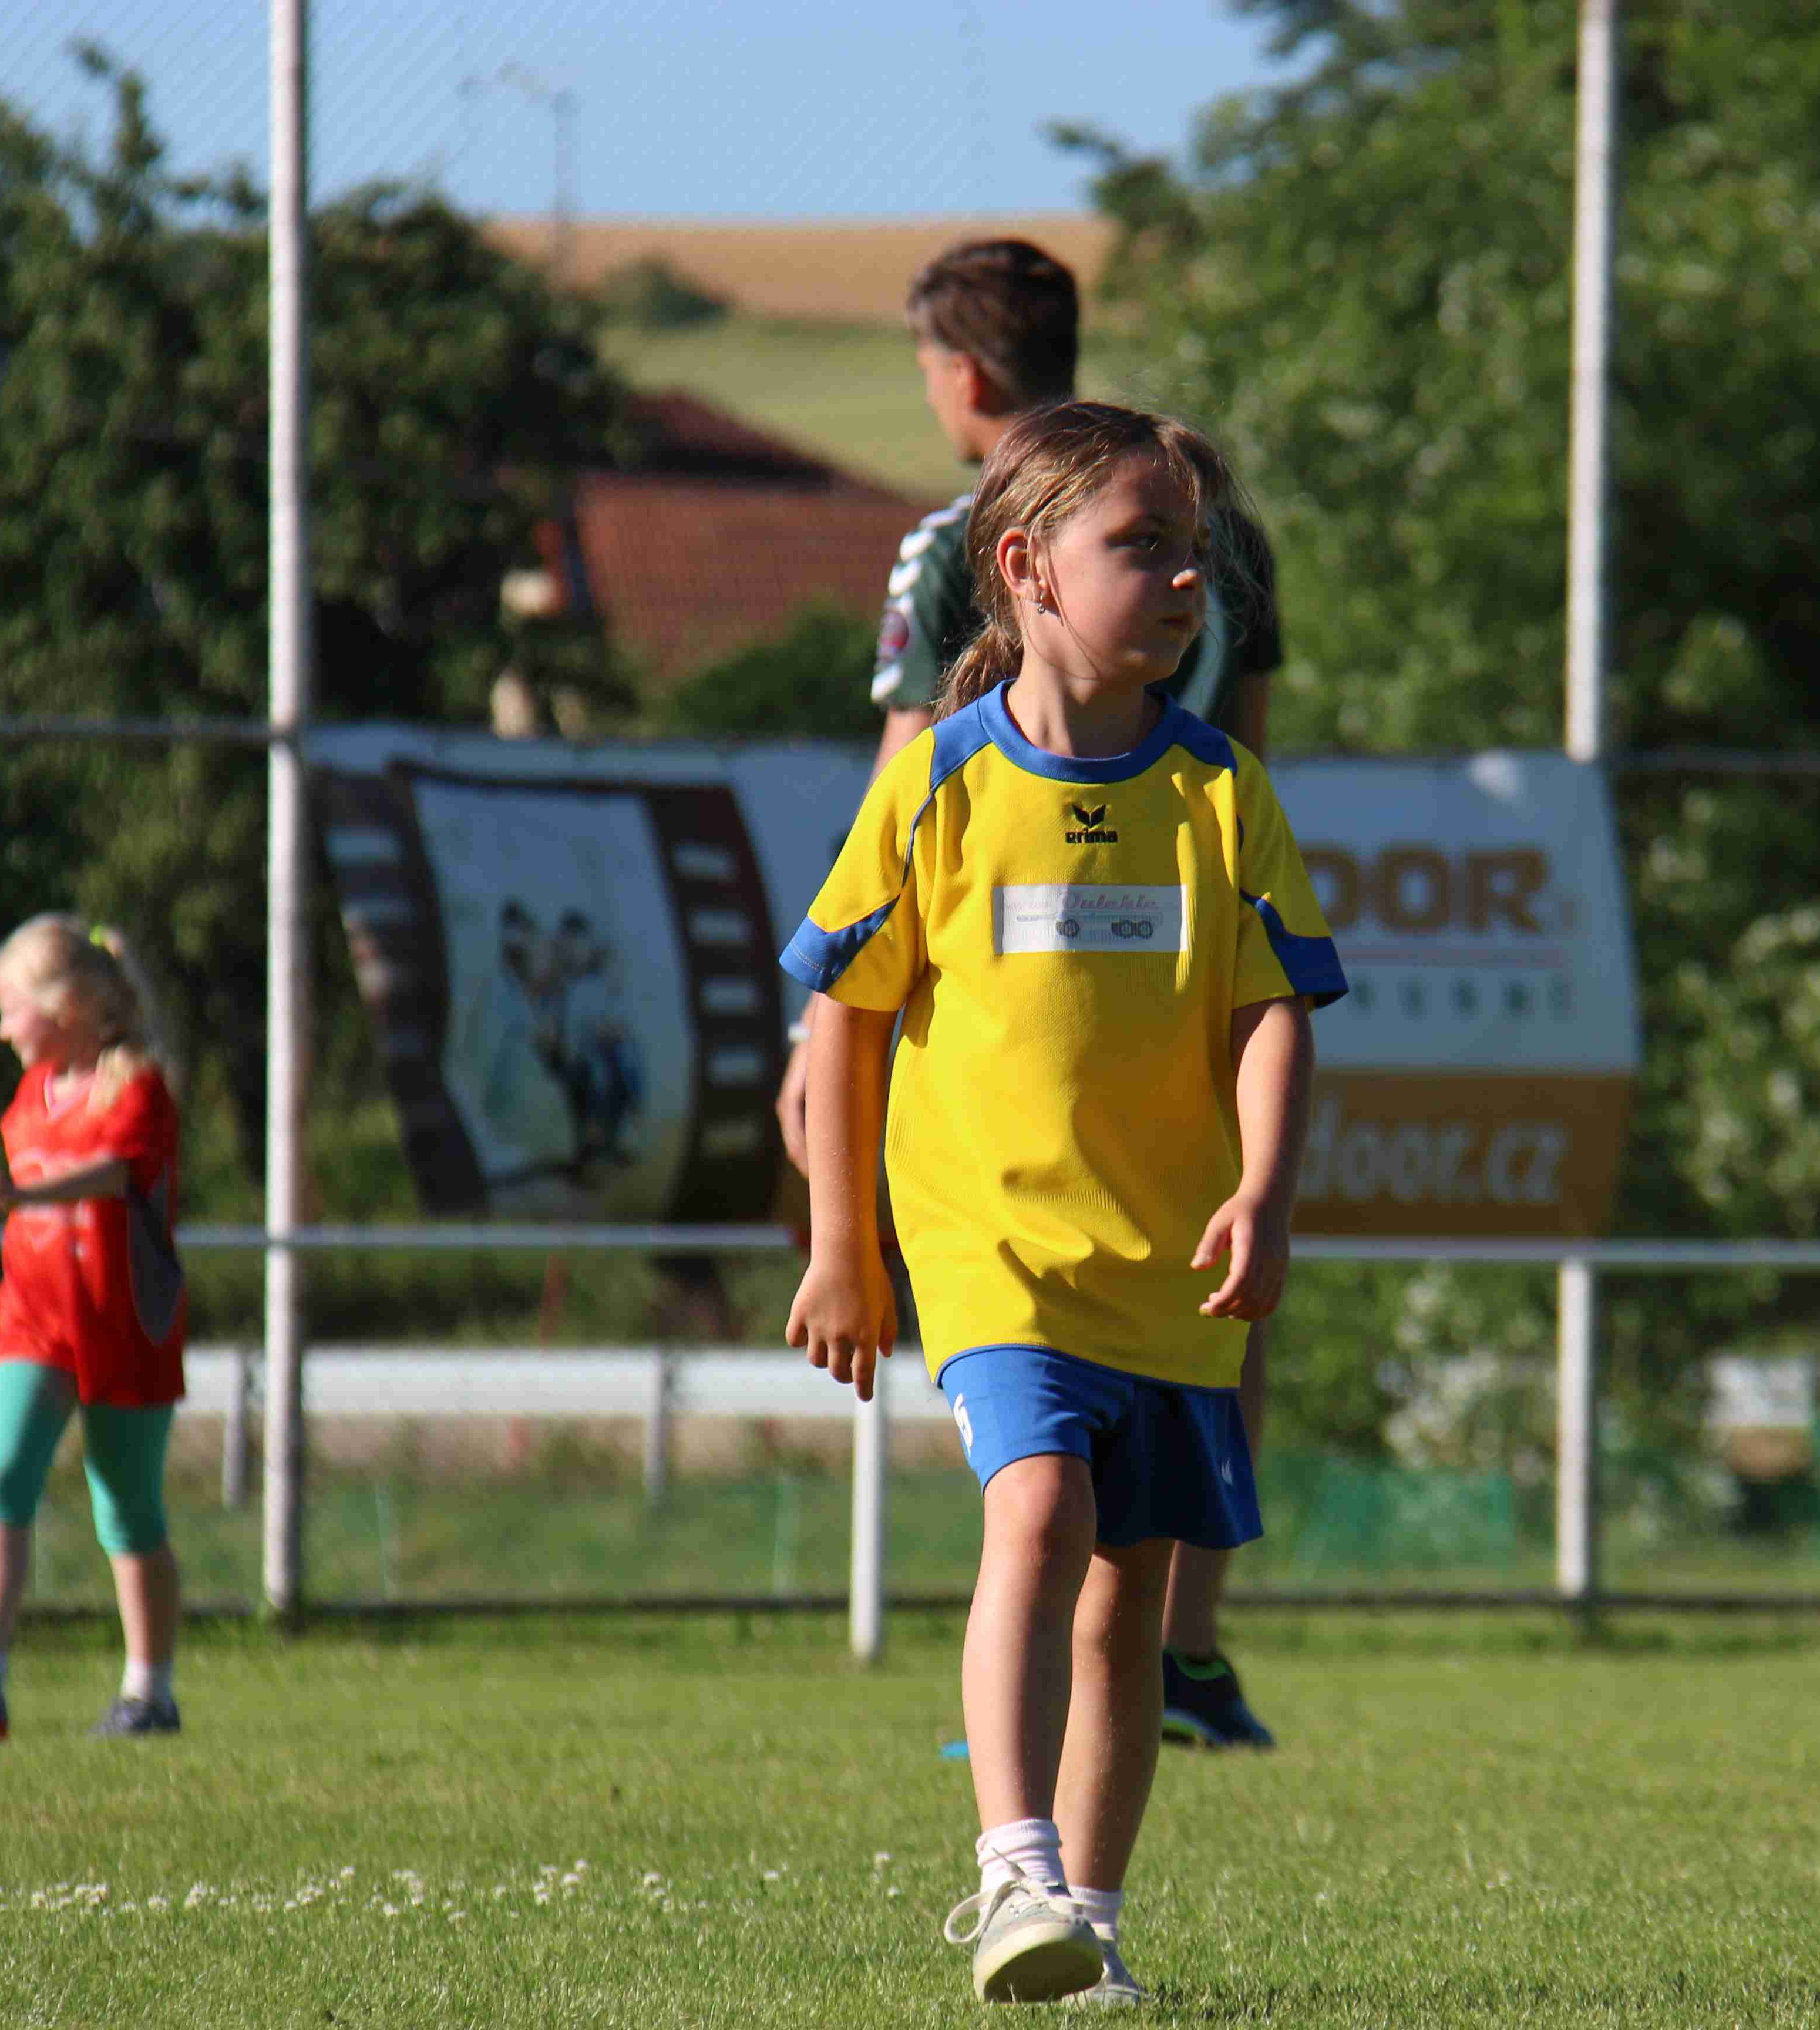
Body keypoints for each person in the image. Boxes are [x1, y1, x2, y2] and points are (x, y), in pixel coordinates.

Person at [781, 403, 1343, 2005]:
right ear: (1027, 568)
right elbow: (847, 1015)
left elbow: (1274, 1011)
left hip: (1165, 1266)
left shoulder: (1221, 792)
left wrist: (1266, 1190)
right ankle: (1012, 1869)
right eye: (1142, 548)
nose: (1185, 581)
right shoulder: (941, 783)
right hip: (995, 1255)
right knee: (1038, 1510)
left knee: (1128, 1611)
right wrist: (844, 1247)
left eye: (1195, 553)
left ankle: (1087, 1930)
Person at [776, 235, 1292, 1750]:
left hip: (1127, 1022)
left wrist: (830, 1017)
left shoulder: (960, 538)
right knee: (1079, 1447)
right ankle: (1172, 1663)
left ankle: (1121, 1670)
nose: (1179, 576)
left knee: (1198, 1282)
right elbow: (1260, 736)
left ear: (964, 371)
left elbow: (901, 764)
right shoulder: (1227, 527)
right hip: (1101, 1075)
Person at [0, 915, 189, 1742]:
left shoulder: (138, 1088)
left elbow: (116, 1173)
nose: (0, 1029)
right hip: (35, 1321)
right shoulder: (31, 1096)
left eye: (9, 1009)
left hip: (124, 1323)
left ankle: (149, 1695)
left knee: (126, 1509)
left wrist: (21, 1195)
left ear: (65, 1007)